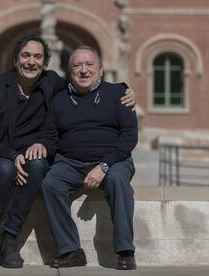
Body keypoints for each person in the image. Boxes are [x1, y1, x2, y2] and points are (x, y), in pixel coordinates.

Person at [0, 36, 136, 269]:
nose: (31, 62)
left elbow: (126, 133)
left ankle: (10, 239)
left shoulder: (54, 83)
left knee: (42, 166)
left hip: (84, 159)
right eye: (25, 56)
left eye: (37, 57)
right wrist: (22, 152)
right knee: (25, 175)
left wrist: (126, 90)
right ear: (15, 60)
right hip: (6, 156)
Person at [28, 46, 138, 270]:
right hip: (70, 162)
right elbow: (51, 136)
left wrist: (104, 166)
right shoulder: (59, 101)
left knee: (118, 180)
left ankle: (125, 251)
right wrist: (42, 144)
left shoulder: (120, 95)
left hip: (113, 160)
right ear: (70, 72)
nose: (84, 70)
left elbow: (129, 137)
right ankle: (70, 251)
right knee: (51, 183)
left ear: (101, 70)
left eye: (89, 65)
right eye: (77, 65)